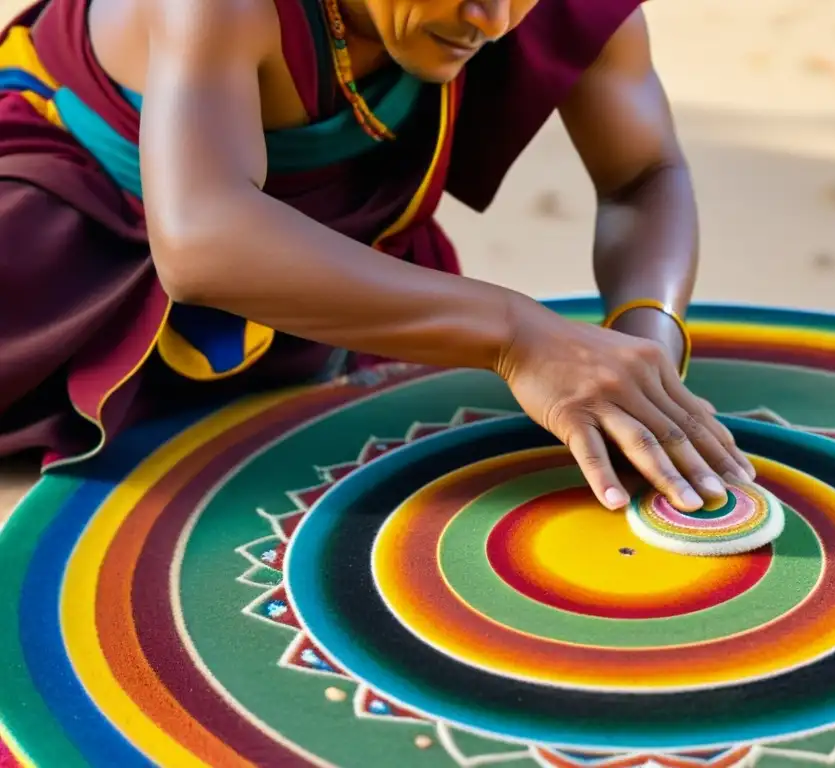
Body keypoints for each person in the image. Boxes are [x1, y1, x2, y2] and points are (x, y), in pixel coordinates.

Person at [0, 0, 756, 512]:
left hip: (342, 260)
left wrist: (645, 342)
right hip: (68, 249)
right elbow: (202, 241)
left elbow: (644, 174)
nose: (492, 21)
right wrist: (519, 335)